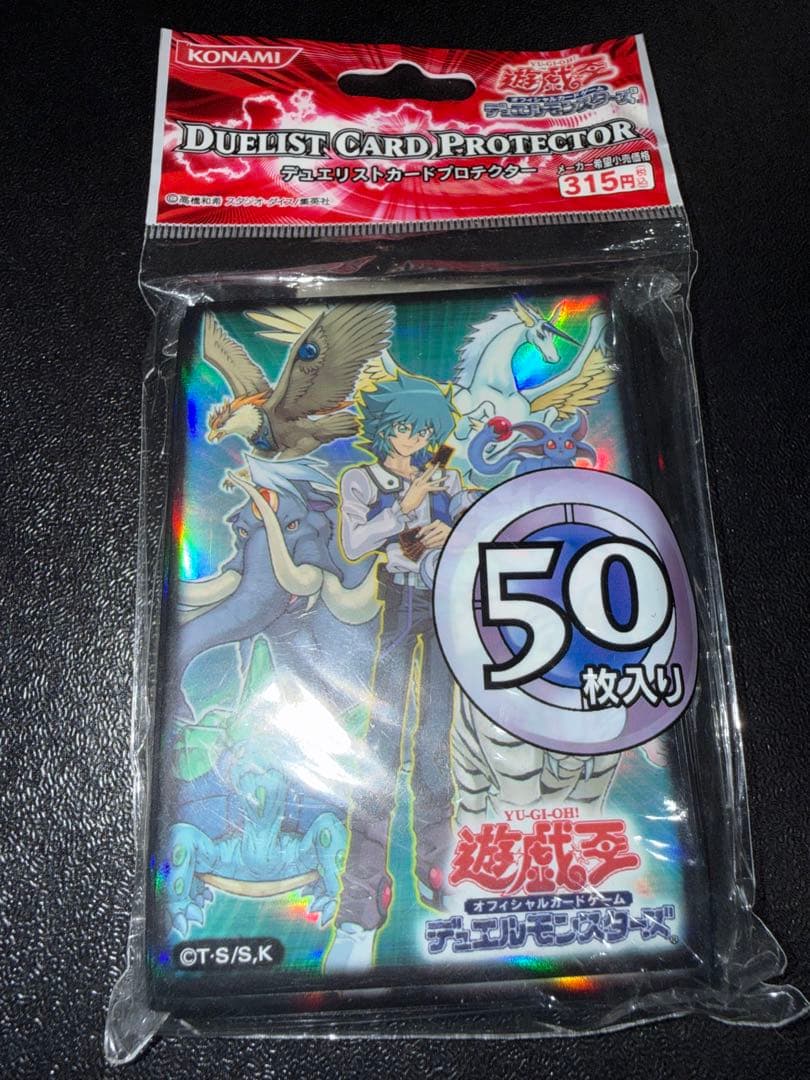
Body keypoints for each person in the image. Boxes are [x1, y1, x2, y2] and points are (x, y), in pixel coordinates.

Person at [325, 372, 473, 971]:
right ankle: (361, 899)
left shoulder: (449, 479)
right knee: (380, 745)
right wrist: (402, 511)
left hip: (442, 608)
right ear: (385, 428)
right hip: (395, 605)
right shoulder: (362, 479)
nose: (412, 438)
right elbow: (353, 543)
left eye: (423, 429)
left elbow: (484, 529)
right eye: (404, 427)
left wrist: (451, 528)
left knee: (434, 741)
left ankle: (440, 873)